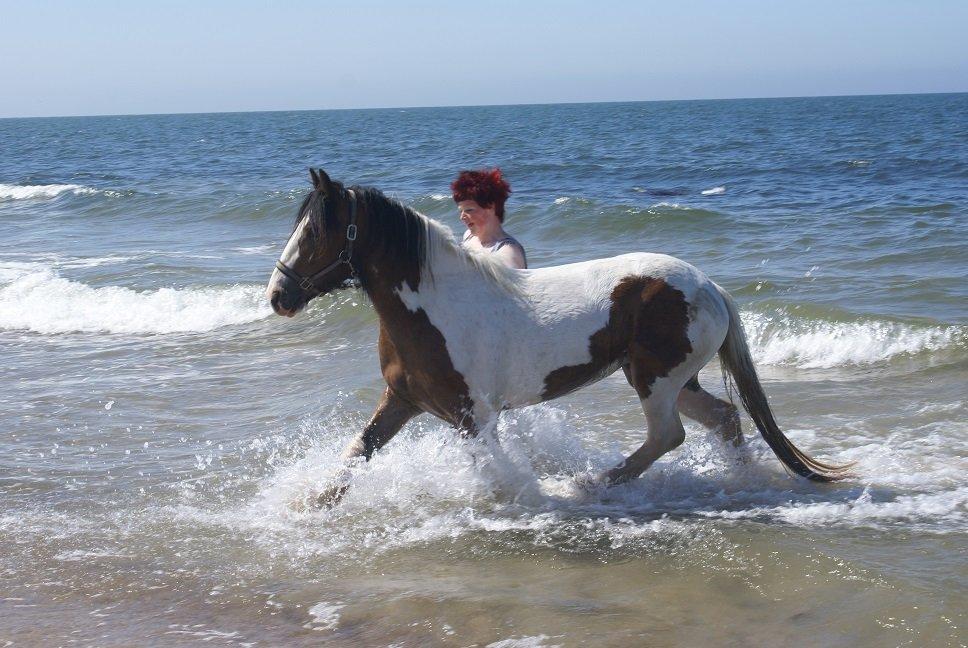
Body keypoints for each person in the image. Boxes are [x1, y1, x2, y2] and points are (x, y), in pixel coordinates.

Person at [451, 168, 527, 269]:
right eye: (461, 211)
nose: (462, 217)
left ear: (490, 207)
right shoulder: (469, 237)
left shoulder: (508, 251)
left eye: (469, 210)